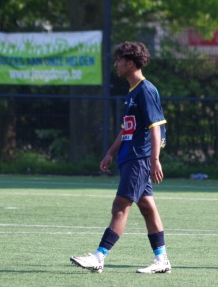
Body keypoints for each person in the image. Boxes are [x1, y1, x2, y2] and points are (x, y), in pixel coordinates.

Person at [70, 41, 171, 274]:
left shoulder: (145, 90)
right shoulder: (132, 92)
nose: (115, 64)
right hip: (130, 156)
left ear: (130, 62)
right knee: (147, 208)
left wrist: (155, 159)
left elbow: (156, 127)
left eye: (118, 60)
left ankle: (98, 256)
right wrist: (110, 152)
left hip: (139, 158)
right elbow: (128, 129)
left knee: (120, 206)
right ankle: (161, 259)